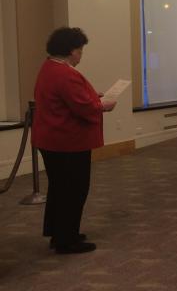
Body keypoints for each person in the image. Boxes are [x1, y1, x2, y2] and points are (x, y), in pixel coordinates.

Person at [32, 27, 116, 254]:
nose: (81, 55)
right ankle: (67, 239)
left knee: (59, 189)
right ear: (71, 50)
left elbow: (69, 100)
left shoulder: (49, 68)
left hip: (52, 140)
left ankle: (59, 232)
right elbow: (83, 107)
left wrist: (91, 97)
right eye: (80, 50)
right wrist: (102, 105)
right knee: (74, 189)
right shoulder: (65, 74)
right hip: (67, 141)